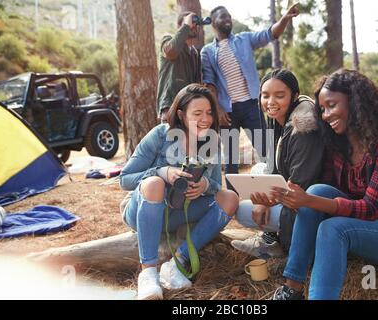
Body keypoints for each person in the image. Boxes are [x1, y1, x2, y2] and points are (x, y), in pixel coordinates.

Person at [267, 69, 378, 300]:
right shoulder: (338, 143)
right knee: (317, 190)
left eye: (332, 105)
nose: (326, 115)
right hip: (370, 230)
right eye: (322, 109)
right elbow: (319, 200)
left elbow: (371, 208)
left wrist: (309, 201)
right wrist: (287, 199)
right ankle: (291, 289)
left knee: (333, 227)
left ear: (355, 102)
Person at [119, 84, 239, 300]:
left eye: (210, 112)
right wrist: (162, 172)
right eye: (198, 113)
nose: (206, 119)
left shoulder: (211, 142)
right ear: (182, 115)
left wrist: (204, 185)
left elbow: (216, 186)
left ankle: (177, 262)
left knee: (230, 198)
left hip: (179, 213)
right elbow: (124, 179)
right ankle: (148, 272)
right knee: (154, 183)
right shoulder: (160, 134)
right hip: (144, 209)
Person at [201, 4, 300, 188]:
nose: (228, 19)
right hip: (228, 111)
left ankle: (275, 190)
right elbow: (209, 83)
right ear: (213, 22)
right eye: (223, 16)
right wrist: (218, 109)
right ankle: (233, 198)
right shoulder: (208, 51)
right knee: (231, 159)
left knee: (266, 150)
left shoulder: (244, 39)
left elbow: (270, 34)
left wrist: (285, 18)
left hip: (252, 106)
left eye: (229, 16)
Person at [230, 69, 324, 259]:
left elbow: (301, 185)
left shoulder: (303, 128)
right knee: (259, 168)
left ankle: (277, 243)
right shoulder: (279, 121)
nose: (270, 102)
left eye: (279, 96)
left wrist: (266, 201)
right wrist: (265, 197)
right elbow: (273, 164)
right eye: (265, 96)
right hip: (288, 189)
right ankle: (269, 238)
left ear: (295, 96)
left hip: (305, 204)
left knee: (241, 211)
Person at [156, 11, 202, 123]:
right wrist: (186, 26)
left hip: (188, 109)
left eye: (195, 23)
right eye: (191, 22)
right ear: (179, 26)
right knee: (171, 140)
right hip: (170, 107)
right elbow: (171, 52)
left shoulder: (194, 53)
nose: (193, 26)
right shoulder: (167, 40)